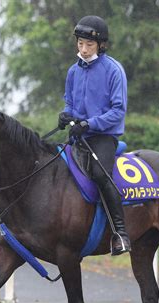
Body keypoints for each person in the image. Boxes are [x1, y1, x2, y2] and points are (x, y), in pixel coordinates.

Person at [58, 15, 131, 255]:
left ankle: (120, 233)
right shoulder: (73, 72)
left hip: (103, 138)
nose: (84, 49)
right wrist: (66, 115)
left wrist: (89, 124)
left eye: (89, 45)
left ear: (101, 45)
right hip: (79, 136)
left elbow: (118, 111)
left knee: (100, 175)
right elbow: (69, 102)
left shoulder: (113, 70)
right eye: (80, 43)